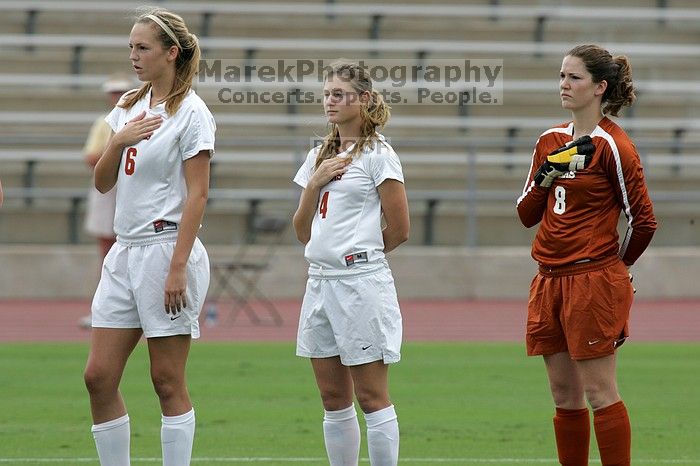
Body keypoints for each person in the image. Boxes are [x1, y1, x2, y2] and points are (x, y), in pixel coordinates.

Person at [82, 7, 215, 466]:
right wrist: (118, 141)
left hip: (166, 249)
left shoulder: (192, 112)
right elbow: (103, 183)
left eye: (143, 48)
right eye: (131, 48)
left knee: (166, 380)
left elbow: (198, 194)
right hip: (125, 250)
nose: (134, 57)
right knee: (98, 377)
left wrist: (178, 265)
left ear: (171, 53)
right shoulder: (126, 108)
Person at [516, 44, 657, 466]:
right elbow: (526, 215)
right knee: (563, 394)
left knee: (599, 392)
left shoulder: (614, 145)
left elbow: (644, 221)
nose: (564, 84)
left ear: (600, 88)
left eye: (574, 78)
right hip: (548, 279)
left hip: (592, 279)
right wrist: (546, 176)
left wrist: (618, 268)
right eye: (561, 76)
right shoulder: (550, 140)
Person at [292, 61, 410, 466]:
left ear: (363, 100)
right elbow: (302, 231)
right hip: (319, 282)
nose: (330, 101)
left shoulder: (379, 154)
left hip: (360, 283)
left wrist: (363, 256)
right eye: (326, 94)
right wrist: (313, 183)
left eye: (339, 94)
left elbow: (399, 227)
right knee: (332, 398)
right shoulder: (318, 155)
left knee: (371, 397)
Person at [79, 75, 133, 329]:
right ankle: (104, 308)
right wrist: (116, 148)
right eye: (114, 93)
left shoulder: (138, 118)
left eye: (121, 92)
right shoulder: (104, 123)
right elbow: (91, 157)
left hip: (132, 187)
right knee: (107, 249)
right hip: (108, 189)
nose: (117, 97)